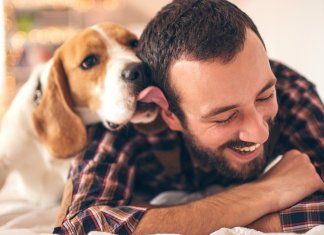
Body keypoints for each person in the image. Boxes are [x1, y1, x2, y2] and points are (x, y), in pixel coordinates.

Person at [54, 0, 324, 234]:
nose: (259, 133)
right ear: (169, 113)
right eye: (224, 117)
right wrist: (266, 193)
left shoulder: (290, 92)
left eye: (265, 96)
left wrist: (171, 219)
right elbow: (80, 226)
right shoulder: (131, 115)